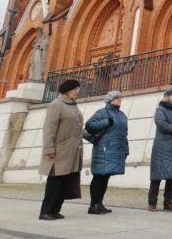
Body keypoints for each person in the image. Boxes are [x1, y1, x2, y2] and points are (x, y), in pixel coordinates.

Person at [39, 79, 84, 221]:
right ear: (67, 90)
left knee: (65, 183)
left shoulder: (72, 105)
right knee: (55, 183)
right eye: (75, 89)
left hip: (72, 151)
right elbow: (49, 129)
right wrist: (49, 148)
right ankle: (46, 211)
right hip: (59, 151)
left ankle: (55, 210)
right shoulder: (56, 105)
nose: (77, 92)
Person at [85, 90, 129, 215]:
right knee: (99, 176)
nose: (119, 100)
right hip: (104, 150)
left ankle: (99, 204)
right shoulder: (102, 112)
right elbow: (89, 125)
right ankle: (93, 205)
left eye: (120, 98)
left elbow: (124, 135)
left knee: (106, 177)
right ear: (109, 100)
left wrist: (126, 150)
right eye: (116, 98)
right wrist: (106, 122)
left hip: (116, 150)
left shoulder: (122, 115)